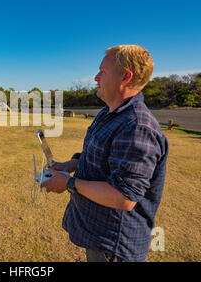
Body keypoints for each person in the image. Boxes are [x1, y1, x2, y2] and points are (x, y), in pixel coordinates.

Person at [41, 45, 168, 262]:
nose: (95, 77)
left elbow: (124, 197)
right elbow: (99, 153)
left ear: (125, 77)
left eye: (102, 71)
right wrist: (70, 165)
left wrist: (69, 183)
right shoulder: (109, 112)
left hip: (114, 245)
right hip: (99, 235)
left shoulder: (137, 126)